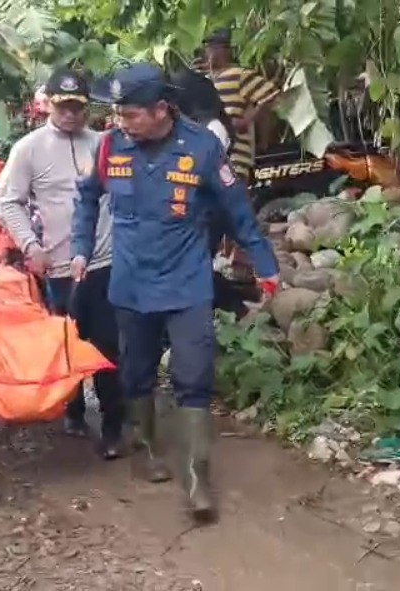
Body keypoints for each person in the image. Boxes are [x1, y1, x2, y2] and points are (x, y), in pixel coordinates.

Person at [71, 63, 280, 522]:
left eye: (130, 114)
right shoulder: (110, 146)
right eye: (118, 113)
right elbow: (86, 198)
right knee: (136, 373)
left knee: (194, 373)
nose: (121, 122)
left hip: (187, 282)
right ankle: (146, 450)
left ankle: (197, 476)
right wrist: (81, 249)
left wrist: (265, 265)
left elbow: (238, 211)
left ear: (161, 109)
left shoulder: (202, 148)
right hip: (130, 283)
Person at [0, 68, 125, 457]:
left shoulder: (102, 144)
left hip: (106, 261)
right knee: (66, 343)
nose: (70, 114)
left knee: (107, 347)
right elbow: (8, 202)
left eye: (77, 107)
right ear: (48, 103)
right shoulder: (28, 149)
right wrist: (30, 245)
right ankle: (72, 410)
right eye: (62, 106)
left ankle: (114, 426)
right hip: (59, 266)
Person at [203, 29, 280, 181]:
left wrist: (247, 120)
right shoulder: (205, 80)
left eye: (215, 48)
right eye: (209, 48)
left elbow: (271, 96)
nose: (210, 52)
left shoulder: (239, 74)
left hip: (235, 155)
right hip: (209, 156)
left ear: (227, 51)